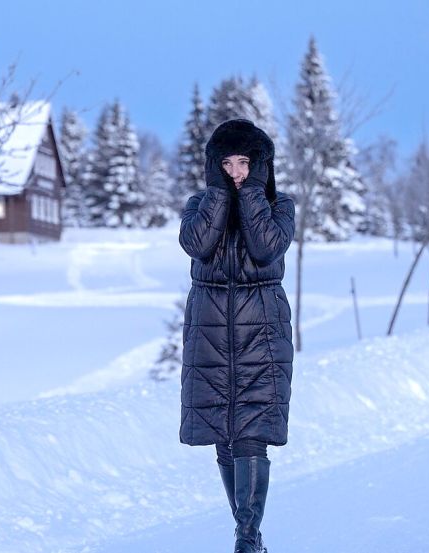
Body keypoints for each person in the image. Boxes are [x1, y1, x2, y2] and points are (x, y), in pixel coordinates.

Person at [178, 118, 296, 553]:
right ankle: (249, 534)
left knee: (251, 433)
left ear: (261, 165)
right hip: (210, 334)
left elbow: (266, 247)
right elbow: (197, 244)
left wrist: (250, 194)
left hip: (260, 331)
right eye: (226, 164)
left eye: (245, 162)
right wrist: (218, 195)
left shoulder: (280, 206)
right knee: (223, 437)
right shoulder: (199, 204)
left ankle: (247, 537)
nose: (236, 172)